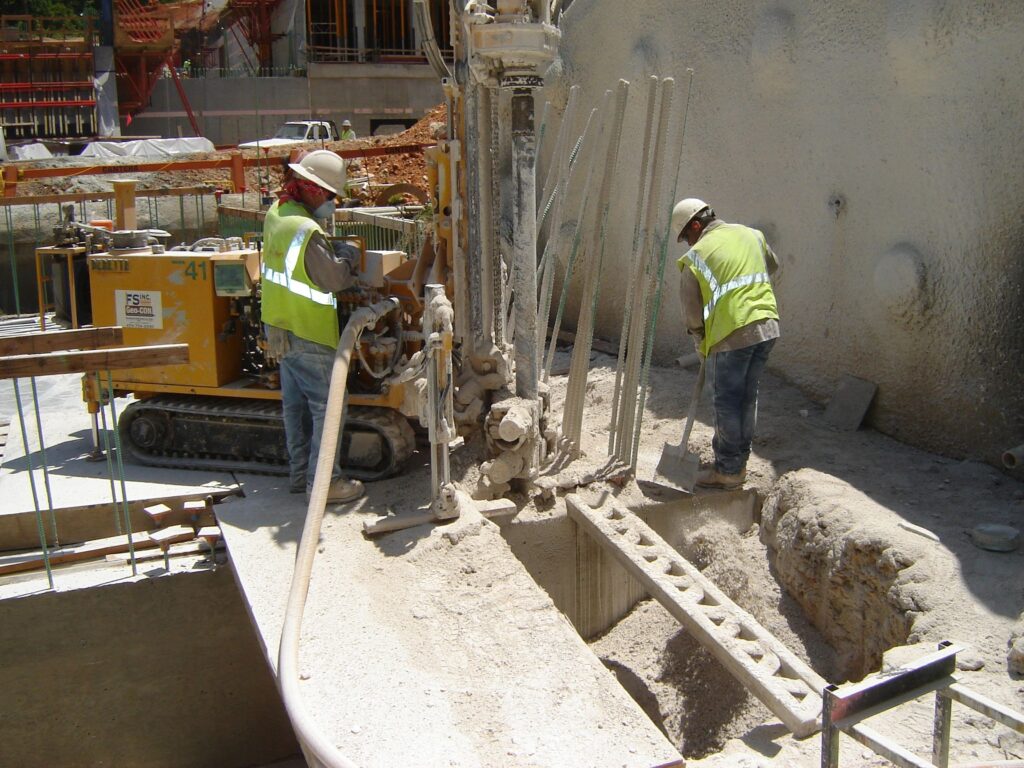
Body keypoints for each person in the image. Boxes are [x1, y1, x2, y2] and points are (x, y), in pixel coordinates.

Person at [261, 149, 365, 504]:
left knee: (296, 406)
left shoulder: (278, 213)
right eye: (333, 197)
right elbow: (334, 277)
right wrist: (349, 253)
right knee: (329, 404)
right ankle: (325, 484)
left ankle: (300, 475)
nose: (334, 204)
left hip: (278, 327)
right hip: (307, 331)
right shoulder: (304, 228)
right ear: (316, 191)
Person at [672, 198, 780, 490]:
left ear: (696, 225)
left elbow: (692, 312)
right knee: (746, 397)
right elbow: (773, 266)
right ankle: (738, 462)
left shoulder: (696, 257)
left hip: (731, 333)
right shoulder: (752, 235)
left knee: (726, 401)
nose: (688, 244)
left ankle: (728, 471)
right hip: (767, 325)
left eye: (686, 236)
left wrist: (700, 340)